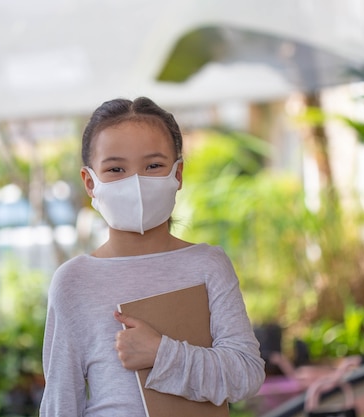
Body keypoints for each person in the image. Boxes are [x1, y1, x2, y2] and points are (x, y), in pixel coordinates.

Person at [40, 97, 265, 416]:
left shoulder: (208, 266)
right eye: (116, 169)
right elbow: (61, 402)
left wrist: (162, 354)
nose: (136, 182)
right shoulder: (73, 282)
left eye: (153, 166)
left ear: (178, 174)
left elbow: (246, 375)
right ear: (90, 182)